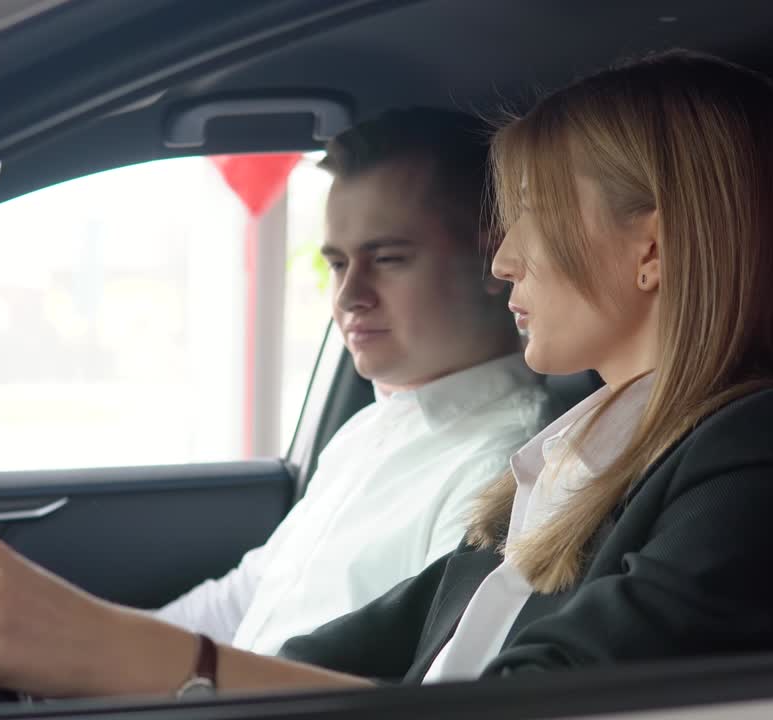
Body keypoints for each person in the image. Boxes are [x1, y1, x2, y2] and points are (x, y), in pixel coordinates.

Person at [0, 50, 773, 697]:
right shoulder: (572, 466)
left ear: (649, 247)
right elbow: (354, 652)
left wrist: (137, 660)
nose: (504, 259)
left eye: (530, 219)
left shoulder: (770, 454)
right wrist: (65, 650)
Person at [150, 109, 548, 656]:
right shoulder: (367, 428)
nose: (349, 296)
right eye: (338, 264)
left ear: (492, 260)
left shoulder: (499, 470)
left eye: (386, 259)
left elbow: (412, 688)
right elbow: (247, 598)